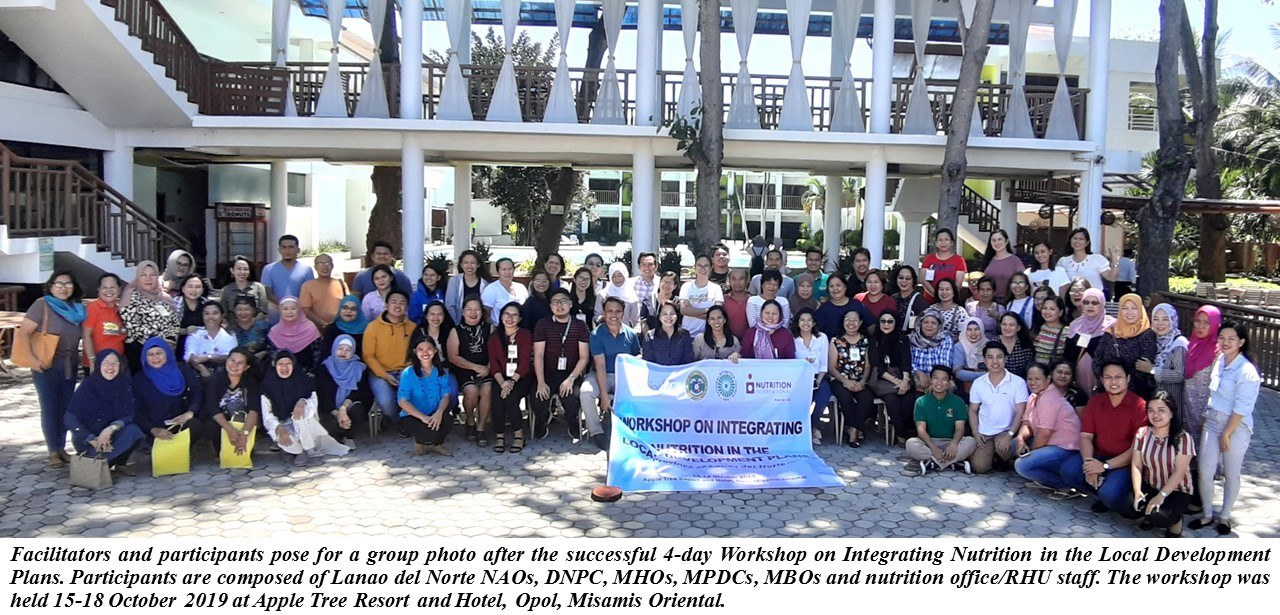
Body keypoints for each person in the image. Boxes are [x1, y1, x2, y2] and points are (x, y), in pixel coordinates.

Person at [1189, 322, 1260, 536]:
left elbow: (1242, 408)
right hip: (1213, 421)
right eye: (1222, 338)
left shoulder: (1247, 371)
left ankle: (1225, 516)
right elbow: (1214, 394)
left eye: (1231, 338)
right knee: (1205, 470)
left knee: (1231, 472)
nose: (1225, 342)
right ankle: (1207, 514)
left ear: (1241, 342)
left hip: (1236, 427)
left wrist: (1227, 433)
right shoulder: (1220, 360)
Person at [20, 271, 87, 467]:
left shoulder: (76, 309)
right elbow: (24, 333)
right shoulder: (42, 305)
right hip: (46, 363)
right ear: (51, 286)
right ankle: (52, 451)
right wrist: (32, 360)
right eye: (59, 283)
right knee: (50, 408)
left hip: (69, 363)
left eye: (68, 283)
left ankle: (61, 447)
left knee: (65, 407)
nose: (63, 287)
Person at [1068, 360, 1148, 517]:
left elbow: (1137, 450)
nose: (1113, 382)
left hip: (1125, 463)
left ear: (1128, 378)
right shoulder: (1096, 401)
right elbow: (1085, 436)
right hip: (1098, 455)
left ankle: (1125, 503)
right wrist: (1089, 463)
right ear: (1102, 379)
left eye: (1118, 377)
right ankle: (1101, 491)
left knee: (1109, 494)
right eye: (1108, 377)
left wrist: (1104, 467)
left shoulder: (1140, 406)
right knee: (1069, 470)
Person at [261, 350, 348, 465]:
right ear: (275, 366)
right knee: (284, 439)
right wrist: (279, 428)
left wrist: (302, 402)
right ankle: (297, 451)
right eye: (280, 364)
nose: (284, 367)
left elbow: (313, 401)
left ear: (293, 365)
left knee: (299, 416)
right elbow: (267, 414)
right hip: (283, 425)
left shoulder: (303, 380)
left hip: (305, 424)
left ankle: (308, 450)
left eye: (288, 364)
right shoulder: (268, 385)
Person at [64, 349, 144, 474]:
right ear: (99, 365)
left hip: (112, 436)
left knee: (134, 430)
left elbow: (130, 414)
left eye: (114, 363)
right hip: (87, 438)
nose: (110, 367)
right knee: (94, 453)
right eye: (106, 363)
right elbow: (69, 418)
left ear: (119, 366)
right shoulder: (88, 385)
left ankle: (120, 464)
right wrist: (91, 439)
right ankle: (96, 461)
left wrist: (109, 430)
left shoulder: (125, 384)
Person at [1130, 392, 1196, 537]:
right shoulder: (1142, 433)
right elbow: (1136, 465)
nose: (1155, 415)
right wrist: (1137, 491)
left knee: (1159, 516)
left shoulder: (1183, 438)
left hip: (1177, 491)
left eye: (1161, 410)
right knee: (1127, 505)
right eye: (1151, 410)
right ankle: (1149, 512)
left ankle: (1175, 521)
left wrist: (1161, 496)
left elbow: (1179, 472)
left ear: (1172, 413)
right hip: (1151, 485)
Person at [581, 297, 642, 450]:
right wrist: (603, 395)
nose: (614, 315)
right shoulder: (596, 335)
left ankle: (632, 430)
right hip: (601, 374)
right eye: (610, 311)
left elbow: (637, 355)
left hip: (624, 375)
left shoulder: (630, 333)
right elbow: (600, 365)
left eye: (618, 311)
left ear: (623, 313)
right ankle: (597, 432)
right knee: (586, 392)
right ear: (604, 312)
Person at [532, 288, 591, 441]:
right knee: (538, 396)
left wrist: (571, 379)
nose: (559, 305)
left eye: (563, 301)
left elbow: (584, 357)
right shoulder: (542, 324)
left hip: (571, 372)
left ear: (570, 304)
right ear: (550, 306)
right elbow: (538, 355)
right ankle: (542, 422)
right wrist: (541, 382)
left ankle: (573, 423)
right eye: (555, 302)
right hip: (547, 372)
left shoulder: (580, 326)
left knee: (572, 397)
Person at [1013, 363, 1082, 493]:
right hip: (1049, 443)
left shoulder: (1049, 397)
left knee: (1022, 465)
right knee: (1014, 445)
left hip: (1066, 448)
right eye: (1030, 379)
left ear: (1048, 379)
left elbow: (1045, 433)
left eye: (1037, 379)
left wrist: (1030, 453)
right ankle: (1043, 476)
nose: (1033, 383)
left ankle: (1066, 485)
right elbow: (1027, 423)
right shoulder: (1034, 396)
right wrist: (1021, 438)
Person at [967, 342, 1029, 474]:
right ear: (984, 360)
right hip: (985, 432)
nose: (995, 361)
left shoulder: (1018, 383)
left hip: (1007, 431)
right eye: (990, 357)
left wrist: (1010, 434)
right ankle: (993, 456)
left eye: (999, 357)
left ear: (1006, 359)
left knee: (1005, 450)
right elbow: (973, 410)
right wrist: (975, 432)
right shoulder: (978, 383)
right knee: (979, 467)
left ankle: (1003, 458)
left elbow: (1020, 412)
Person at [133, 338, 205, 450]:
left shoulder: (182, 370)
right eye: (150, 354)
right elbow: (135, 409)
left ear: (167, 353)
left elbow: (197, 391)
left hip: (181, 423)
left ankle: (183, 451)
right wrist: (152, 429)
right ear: (144, 357)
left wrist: (190, 412)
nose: (155, 358)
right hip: (155, 429)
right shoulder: (139, 379)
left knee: (195, 425)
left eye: (159, 353)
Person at [907, 366, 976, 474]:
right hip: (929, 442)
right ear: (930, 380)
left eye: (944, 379)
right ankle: (954, 463)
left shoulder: (958, 402)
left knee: (971, 442)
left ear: (949, 382)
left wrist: (953, 444)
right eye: (935, 378)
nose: (939, 382)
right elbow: (921, 430)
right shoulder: (921, 401)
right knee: (911, 444)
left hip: (951, 441)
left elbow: (959, 428)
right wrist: (933, 448)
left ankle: (933, 463)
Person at [447, 296, 494, 447]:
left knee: (487, 389)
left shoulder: (490, 328)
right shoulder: (456, 331)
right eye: (469, 309)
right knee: (472, 391)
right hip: (464, 369)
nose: (473, 313)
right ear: (463, 312)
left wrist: (487, 367)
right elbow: (453, 356)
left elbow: (496, 352)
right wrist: (475, 367)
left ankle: (481, 428)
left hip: (487, 368)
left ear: (482, 312)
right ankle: (469, 419)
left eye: (477, 309)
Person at [397, 336, 455, 456]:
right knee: (426, 431)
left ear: (434, 350)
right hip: (414, 415)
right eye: (420, 349)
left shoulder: (442, 371)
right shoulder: (408, 373)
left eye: (429, 349)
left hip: (434, 412)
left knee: (447, 419)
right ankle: (419, 443)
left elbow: (445, 395)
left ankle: (437, 445)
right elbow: (402, 401)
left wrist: (439, 412)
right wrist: (422, 417)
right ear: (415, 352)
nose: (425, 353)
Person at [487, 302, 532, 453]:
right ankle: (500, 436)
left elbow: (525, 363)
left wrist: (512, 382)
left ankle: (519, 435)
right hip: (501, 377)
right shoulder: (494, 337)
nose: (510, 318)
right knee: (497, 397)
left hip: (521, 377)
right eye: (507, 314)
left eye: (514, 315)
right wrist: (502, 382)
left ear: (520, 319)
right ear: (501, 316)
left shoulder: (525, 335)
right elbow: (493, 363)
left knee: (511, 398)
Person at [1093, 293, 1158, 398]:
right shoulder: (1111, 332)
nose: (1129, 312)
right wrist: (1106, 383)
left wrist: (1123, 387)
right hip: (1108, 391)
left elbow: (1143, 366)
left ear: (1140, 310)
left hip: (1137, 395)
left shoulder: (1147, 335)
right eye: (1125, 308)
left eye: (1134, 308)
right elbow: (1097, 360)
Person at [199, 347, 260, 457]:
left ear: (246, 367)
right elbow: (212, 408)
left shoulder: (251, 381)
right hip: (221, 422)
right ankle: (219, 449)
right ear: (226, 360)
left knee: (245, 455)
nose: (234, 365)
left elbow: (254, 409)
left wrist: (245, 433)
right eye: (232, 360)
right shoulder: (215, 379)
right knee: (212, 425)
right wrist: (230, 429)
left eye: (240, 363)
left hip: (242, 421)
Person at [315, 335, 369, 449]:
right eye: (340, 348)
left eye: (348, 350)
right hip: (330, 408)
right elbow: (323, 396)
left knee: (358, 410)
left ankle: (349, 436)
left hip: (347, 406)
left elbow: (359, 392)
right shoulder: (325, 367)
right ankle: (338, 436)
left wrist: (344, 408)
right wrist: (337, 413)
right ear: (334, 349)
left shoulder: (359, 368)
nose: (343, 352)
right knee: (332, 425)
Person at [829, 310, 874, 447]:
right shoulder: (836, 341)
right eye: (848, 319)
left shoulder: (866, 341)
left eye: (855, 320)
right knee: (845, 398)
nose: (851, 323)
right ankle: (855, 431)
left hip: (860, 380)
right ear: (843, 322)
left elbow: (867, 366)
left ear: (860, 323)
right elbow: (832, 367)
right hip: (840, 379)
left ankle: (853, 428)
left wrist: (862, 382)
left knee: (866, 398)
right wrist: (846, 381)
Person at [870, 311, 916, 446]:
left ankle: (904, 432)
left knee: (908, 400)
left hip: (901, 378)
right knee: (891, 400)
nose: (886, 324)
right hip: (883, 380)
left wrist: (905, 380)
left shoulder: (902, 339)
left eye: (890, 321)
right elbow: (877, 366)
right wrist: (897, 382)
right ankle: (902, 436)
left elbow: (906, 362)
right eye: (883, 321)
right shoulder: (875, 340)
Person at [1182, 305, 1221, 444]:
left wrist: (1207, 413)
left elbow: (1217, 386)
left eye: (1207, 322)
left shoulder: (1218, 352)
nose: (1201, 326)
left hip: (1207, 415)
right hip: (1188, 412)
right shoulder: (1191, 346)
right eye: (1198, 321)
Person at [1063, 287, 1113, 394]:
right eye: (1086, 302)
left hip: (1104, 379)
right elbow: (1068, 355)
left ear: (1102, 304)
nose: (1090, 306)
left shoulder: (1112, 325)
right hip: (1078, 379)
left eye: (1095, 302)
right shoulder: (1075, 325)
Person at [792, 308, 831, 444]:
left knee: (822, 399)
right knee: (801, 403)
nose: (806, 323)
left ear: (814, 323)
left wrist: (818, 381)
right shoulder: (793, 339)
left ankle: (812, 427)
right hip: (800, 379)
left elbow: (824, 365)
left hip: (819, 377)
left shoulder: (822, 338)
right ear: (797, 323)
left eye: (809, 320)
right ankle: (802, 430)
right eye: (802, 320)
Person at [82, 273, 126, 371]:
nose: (108, 291)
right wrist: (92, 361)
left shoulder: (122, 310)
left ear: (119, 290)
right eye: (104, 287)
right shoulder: (93, 308)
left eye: (112, 287)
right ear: (99, 290)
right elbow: (86, 335)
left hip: (117, 364)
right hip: (97, 365)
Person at [1056, 228, 1119, 297]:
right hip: (1072, 302)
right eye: (1075, 238)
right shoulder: (1063, 261)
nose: (1077, 241)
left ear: (1087, 243)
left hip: (1093, 301)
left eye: (1081, 239)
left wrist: (1114, 259)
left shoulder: (1097, 259)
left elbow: (1111, 278)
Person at [1150, 303, 1189, 409]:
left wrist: (1152, 370)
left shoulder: (1179, 343)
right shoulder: (1154, 340)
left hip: (1173, 402)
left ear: (1173, 320)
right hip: (1156, 402)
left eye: (1165, 319)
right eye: (1156, 319)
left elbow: (1179, 374)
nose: (1160, 323)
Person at [268, 297, 322, 373]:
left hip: (307, 375)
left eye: (293, 308)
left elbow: (317, 356)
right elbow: (273, 358)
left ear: (299, 310)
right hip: (282, 375)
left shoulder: (310, 328)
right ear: (280, 311)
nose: (289, 312)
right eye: (285, 309)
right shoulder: (274, 332)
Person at [184, 302, 236, 378]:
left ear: (222, 316)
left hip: (224, 373)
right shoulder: (195, 333)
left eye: (215, 313)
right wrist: (203, 370)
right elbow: (190, 358)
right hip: (198, 372)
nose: (211, 317)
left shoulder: (230, 335)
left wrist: (208, 357)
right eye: (207, 314)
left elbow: (230, 357)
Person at [261, 235, 315, 307]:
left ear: (298, 250)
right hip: (275, 313)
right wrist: (284, 307)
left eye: (291, 247)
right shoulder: (268, 269)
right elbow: (267, 294)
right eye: (284, 247)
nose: (287, 250)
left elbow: (309, 294)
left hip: (299, 313)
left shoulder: (306, 270)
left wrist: (293, 308)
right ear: (279, 250)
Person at [298, 253, 350, 328]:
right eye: (321, 264)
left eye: (327, 263)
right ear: (315, 267)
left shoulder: (341, 284)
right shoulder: (307, 286)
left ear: (332, 266)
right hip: (317, 329)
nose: (325, 266)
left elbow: (349, 305)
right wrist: (324, 324)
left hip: (341, 327)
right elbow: (306, 310)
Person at [815, 274, 871, 339]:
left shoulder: (857, 305)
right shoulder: (823, 309)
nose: (835, 289)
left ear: (845, 287)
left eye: (838, 285)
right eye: (831, 286)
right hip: (830, 347)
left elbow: (870, 326)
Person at [680, 255, 724, 334]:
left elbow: (717, 313)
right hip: (687, 334)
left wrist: (691, 310)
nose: (702, 269)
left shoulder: (716, 288)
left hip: (708, 335)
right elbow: (683, 310)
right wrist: (706, 311)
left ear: (711, 268)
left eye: (706, 266)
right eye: (699, 265)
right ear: (695, 268)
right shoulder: (686, 286)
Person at [909, 313, 954, 390]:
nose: (929, 325)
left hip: (939, 376)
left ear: (939, 326)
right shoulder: (912, 338)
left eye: (933, 323)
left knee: (946, 388)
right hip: (916, 375)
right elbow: (910, 361)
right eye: (926, 322)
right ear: (920, 324)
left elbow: (944, 363)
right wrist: (920, 374)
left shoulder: (945, 339)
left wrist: (933, 380)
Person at [642, 300, 694, 366]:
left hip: (679, 374)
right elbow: (648, 362)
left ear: (677, 316)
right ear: (659, 317)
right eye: (664, 314)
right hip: (657, 374)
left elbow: (687, 361)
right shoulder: (650, 336)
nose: (668, 317)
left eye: (672, 313)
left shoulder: (684, 335)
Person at [920, 229, 967, 302]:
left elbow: (958, 283)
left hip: (949, 302)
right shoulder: (929, 259)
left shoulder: (959, 260)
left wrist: (946, 298)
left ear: (951, 243)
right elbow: (923, 280)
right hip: (929, 301)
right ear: (936, 243)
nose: (943, 242)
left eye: (946, 240)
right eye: (940, 240)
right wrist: (936, 296)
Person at [444, 249, 489, 323]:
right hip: (458, 323)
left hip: (480, 323)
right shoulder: (454, 281)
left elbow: (487, 308)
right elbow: (450, 306)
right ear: (461, 265)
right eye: (466, 263)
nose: (469, 266)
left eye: (472, 263)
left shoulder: (485, 284)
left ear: (478, 265)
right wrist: (457, 325)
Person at [480, 258, 529, 325]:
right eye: (504, 269)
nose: (507, 272)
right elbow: (486, 314)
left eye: (510, 269)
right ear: (498, 272)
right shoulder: (490, 289)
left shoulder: (521, 287)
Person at [220, 255, 269, 320]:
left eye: (245, 269)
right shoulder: (226, 290)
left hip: (255, 325)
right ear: (232, 270)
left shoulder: (259, 287)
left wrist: (251, 324)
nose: (242, 272)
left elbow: (263, 310)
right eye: (239, 269)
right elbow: (224, 314)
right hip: (233, 326)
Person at [321, 295, 368, 361]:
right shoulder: (331, 329)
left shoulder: (366, 330)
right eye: (345, 308)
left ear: (358, 312)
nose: (348, 311)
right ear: (340, 309)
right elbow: (325, 354)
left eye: (353, 309)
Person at [173, 273, 209, 361]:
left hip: (202, 345)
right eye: (190, 286)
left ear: (202, 290)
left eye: (197, 287)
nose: (194, 290)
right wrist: (184, 331)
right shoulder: (173, 304)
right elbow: (166, 328)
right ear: (183, 288)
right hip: (179, 345)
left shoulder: (207, 304)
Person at [227, 296, 272, 364]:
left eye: (247, 309)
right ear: (234, 311)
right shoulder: (229, 329)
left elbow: (272, 348)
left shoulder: (264, 326)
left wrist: (264, 353)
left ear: (253, 310)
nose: (243, 313)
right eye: (239, 309)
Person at [981, 230, 1025, 297]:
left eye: (1000, 239)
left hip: (1007, 300)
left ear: (1006, 241)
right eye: (993, 240)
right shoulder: (988, 259)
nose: (997, 243)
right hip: (988, 301)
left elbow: (1022, 282)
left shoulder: (1015, 261)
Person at [598, 263, 640, 327]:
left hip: (625, 333)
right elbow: (596, 316)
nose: (617, 279)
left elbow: (636, 321)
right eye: (613, 276)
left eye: (620, 275)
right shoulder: (603, 295)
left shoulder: (631, 296)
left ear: (625, 275)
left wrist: (633, 334)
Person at [891, 265, 929, 334]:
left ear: (913, 281)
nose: (904, 281)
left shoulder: (920, 301)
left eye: (908, 278)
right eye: (901, 278)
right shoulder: (893, 298)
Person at [996, 313, 1035, 379]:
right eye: (1004, 324)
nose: (1007, 328)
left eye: (1011, 325)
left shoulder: (1025, 345)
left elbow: (1029, 369)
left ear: (1018, 328)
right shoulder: (994, 343)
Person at [1032, 296, 1069, 365]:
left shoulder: (1066, 332)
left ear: (1060, 312)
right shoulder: (1037, 328)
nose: (1047, 312)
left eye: (1052, 309)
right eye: (1044, 308)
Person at [954, 317, 989, 389]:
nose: (973, 333)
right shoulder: (959, 346)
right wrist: (985, 374)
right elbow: (958, 373)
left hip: (988, 385)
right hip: (966, 386)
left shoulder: (988, 344)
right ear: (964, 331)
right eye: (969, 329)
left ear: (982, 330)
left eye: (977, 329)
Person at [642, 271, 680, 335]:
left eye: (670, 283)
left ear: (675, 286)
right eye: (664, 282)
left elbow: (678, 323)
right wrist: (650, 338)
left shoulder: (677, 302)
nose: (666, 285)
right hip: (650, 338)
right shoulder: (648, 300)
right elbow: (643, 322)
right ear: (659, 283)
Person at [722, 269, 752, 340]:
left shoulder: (753, 300)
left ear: (747, 280)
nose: (737, 282)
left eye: (741, 279)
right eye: (733, 279)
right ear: (729, 281)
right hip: (728, 342)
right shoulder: (723, 300)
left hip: (749, 342)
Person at [631, 252, 659, 320]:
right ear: (639, 266)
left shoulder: (661, 283)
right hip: (634, 323)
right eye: (643, 264)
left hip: (654, 323)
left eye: (650, 264)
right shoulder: (630, 283)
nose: (647, 267)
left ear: (656, 266)